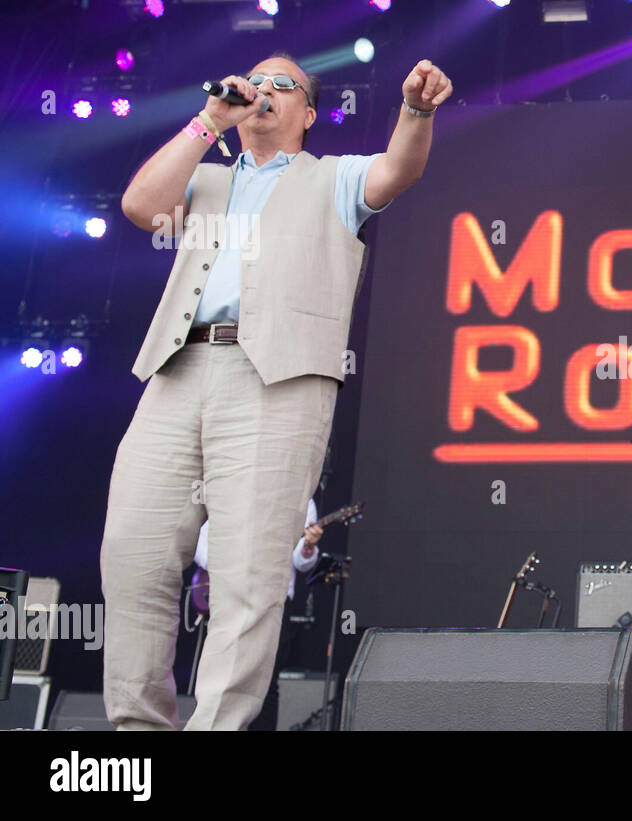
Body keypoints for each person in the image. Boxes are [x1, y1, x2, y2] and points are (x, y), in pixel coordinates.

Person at [100, 52, 451, 730]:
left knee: (248, 577)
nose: (262, 90)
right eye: (253, 82)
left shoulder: (332, 178)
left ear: (308, 114)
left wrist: (416, 110)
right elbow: (142, 206)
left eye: (281, 85)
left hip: (275, 380)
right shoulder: (205, 179)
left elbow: (398, 168)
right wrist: (209, 119)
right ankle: (135, 735)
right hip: (178, 370)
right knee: (134, 559)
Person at [190, 499, 322, 731]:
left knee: (266, 682)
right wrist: (230, 568)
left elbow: (301, 562)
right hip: (230, 594)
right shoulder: (230, 475)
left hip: (275, 599)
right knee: (219, 673)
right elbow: (200, 540)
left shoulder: (302, 496)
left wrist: (308, 546)